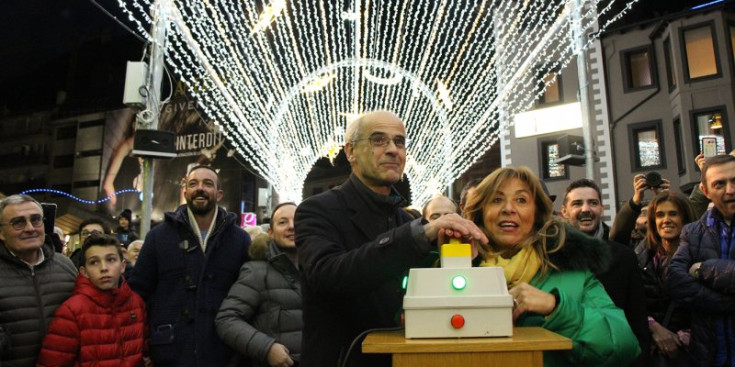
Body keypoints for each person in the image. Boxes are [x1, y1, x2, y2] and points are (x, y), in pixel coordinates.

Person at [295, 110, 488, 367]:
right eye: (378, 140)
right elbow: (328, 275)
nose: (393, 150)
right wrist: (419, 235)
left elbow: (432, 296)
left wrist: (458, 257)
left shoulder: (406, 222)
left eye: (399, 142)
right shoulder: (316, 210)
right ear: (350, 151)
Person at [465, 167, 640, 366]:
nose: (508, 209)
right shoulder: (453, 267)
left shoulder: (572, 272)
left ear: (536, 213)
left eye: (521, 200)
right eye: (497, 199)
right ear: (481, 211)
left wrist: (557, 308)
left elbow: (622, 346)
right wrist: (427, 235)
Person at [129, 165, 251, 367]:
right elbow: (138, 294)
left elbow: (249, 297)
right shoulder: (158, 237)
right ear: (185, 192)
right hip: (170, 350)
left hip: (224, 351)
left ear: (219, 194)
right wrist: (142, 345)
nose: (200, 188)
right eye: (193, 184)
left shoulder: (239, 239)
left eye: (208, 184)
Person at [560, 178, 650, 365]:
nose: (586, 209)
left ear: (601, 209)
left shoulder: (624, 257)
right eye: (577, 203)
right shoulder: (553, 259)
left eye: (593, 203)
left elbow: (637, 319)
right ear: (564, 212)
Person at [36, 234, 148, 367]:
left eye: (111, 260)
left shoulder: (136, 303)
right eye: (94, 262)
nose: (104, 268)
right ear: (84, 272)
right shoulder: (72, 310)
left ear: (123, 266)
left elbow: (146, 354)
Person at [667, 154, 735, 367]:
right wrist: (728, 303)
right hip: (709, 357)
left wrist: (703, 269)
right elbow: (675, 280)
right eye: (720, 184)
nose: (730, 190)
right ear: (705, 191)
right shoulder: (693, 232)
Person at [217, 202, 301, 367]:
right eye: (283, 222)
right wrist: (267, 348)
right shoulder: (257, 271)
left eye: (297, 221)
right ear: (270, 233)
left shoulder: (320, 267)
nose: (292, 226)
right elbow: (226, 319)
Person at [0, 194, 77, 367]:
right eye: (18, 222)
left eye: (36, 220)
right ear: (1, 233)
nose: (30, 228)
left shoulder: (65, 265)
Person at [635, 192, 696, 365]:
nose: (666, 220)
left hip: (691, 353)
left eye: (673, 214)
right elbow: (632, 303)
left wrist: (682, 337)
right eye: (660, 215)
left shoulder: (701, 255)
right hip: (652, 353)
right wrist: (653, 326)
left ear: (685, 218)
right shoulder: (640, 257)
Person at [610, 174, 670, 247]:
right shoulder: (628, 243)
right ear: (634, 222)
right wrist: (635, 200)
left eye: (656, 214)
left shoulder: (667, 241)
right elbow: (617, 235)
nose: (649, 218)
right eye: (644, 213)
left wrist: (665, 202)